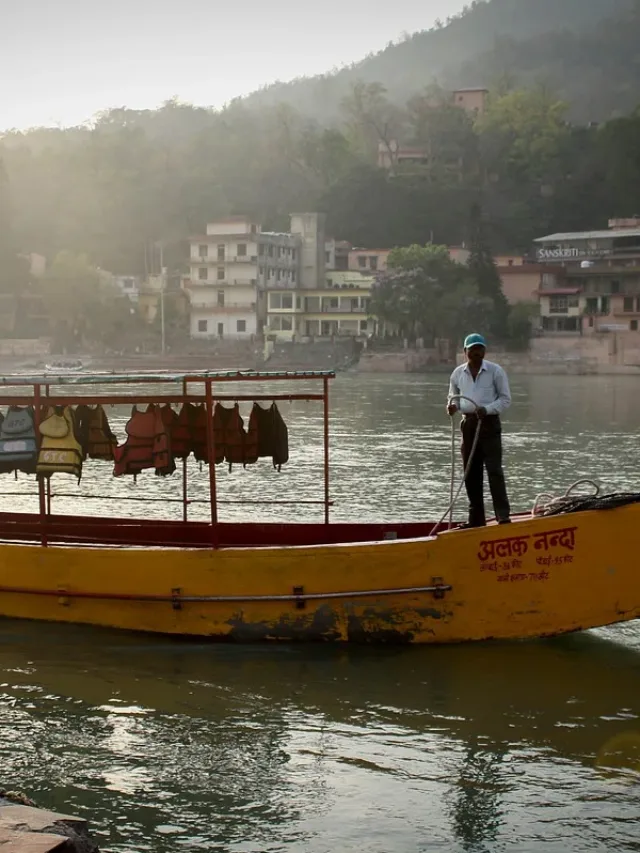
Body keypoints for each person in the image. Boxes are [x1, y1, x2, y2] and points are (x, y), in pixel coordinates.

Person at [447, 333, 512, 527]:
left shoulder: (495, 371)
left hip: (489, 424)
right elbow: (454, 398)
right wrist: (452, 407)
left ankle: (503, 516)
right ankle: (476, 520)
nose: (476, 352)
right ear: (465, 351)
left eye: (479, 349)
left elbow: (505, 399)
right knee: (471, 473)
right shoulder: (457, 374)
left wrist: (487, 409)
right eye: (472, 349)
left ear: (484, 351)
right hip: (468, 425)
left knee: (494, 471)